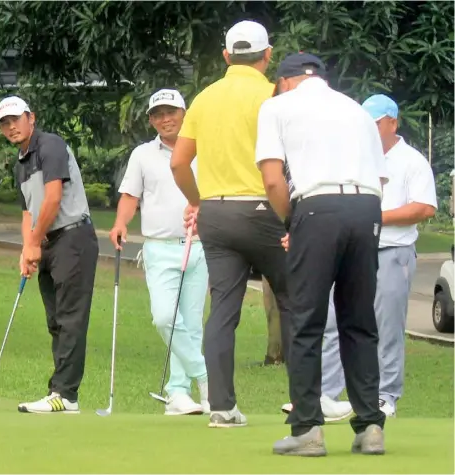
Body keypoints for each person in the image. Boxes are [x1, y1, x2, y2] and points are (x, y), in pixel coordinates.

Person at [254, 52, 389, 456]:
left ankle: (307, 428)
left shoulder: (277, 105)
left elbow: (273, 179)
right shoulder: (357, 110)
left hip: (318, 206)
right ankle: (370, 427)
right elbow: (380, 174)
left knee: (306, 320)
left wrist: (291, 221)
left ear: (285, 81)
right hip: (367, 207)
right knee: (359, 321)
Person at [169, 19, 292, 428]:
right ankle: (305, 400)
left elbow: (179, 161)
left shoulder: (204, 98)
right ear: (267, 54)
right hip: (265, 209)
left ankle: (221, 406)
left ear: (226, 56)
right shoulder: (275, 95)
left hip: (217, 214)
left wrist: (197, 200)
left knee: (222, 308)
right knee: (296, 300)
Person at [290, 94, 437, 419]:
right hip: (350, 249)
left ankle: (385, 396)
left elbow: (424, 207)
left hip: (391, 250)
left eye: (374, 125)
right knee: (330, 321)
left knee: (385, 325)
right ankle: (325, 394)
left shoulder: (411, 161)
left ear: (392, 123)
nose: (367, 131)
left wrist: (372, 217)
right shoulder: (354, 157)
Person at [0, 95, 99, 414]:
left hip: (73, 238)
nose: (11, 126)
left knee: (70, 318)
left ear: (31, 118)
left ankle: (65, 394)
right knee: (56, 320)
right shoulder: (21, 163)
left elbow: (53, 199)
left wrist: (34, 242)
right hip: (49, 243)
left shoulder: (50, 145)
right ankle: (62, 392)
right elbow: (29, 212)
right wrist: (28, 249)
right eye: (4, 123)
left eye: (16, 119)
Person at [110, 89, 209, 416]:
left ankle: (179, 394)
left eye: (172, 112)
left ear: (184, 113)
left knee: (192, 324)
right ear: (152, 120)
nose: (165, 119)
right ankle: (207, 378)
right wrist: (121, 223)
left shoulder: (204, 150)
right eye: (158, 114)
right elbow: (129, 195)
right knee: (165, 317)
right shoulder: (142, 154)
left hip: (200, 246)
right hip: (159, 248)